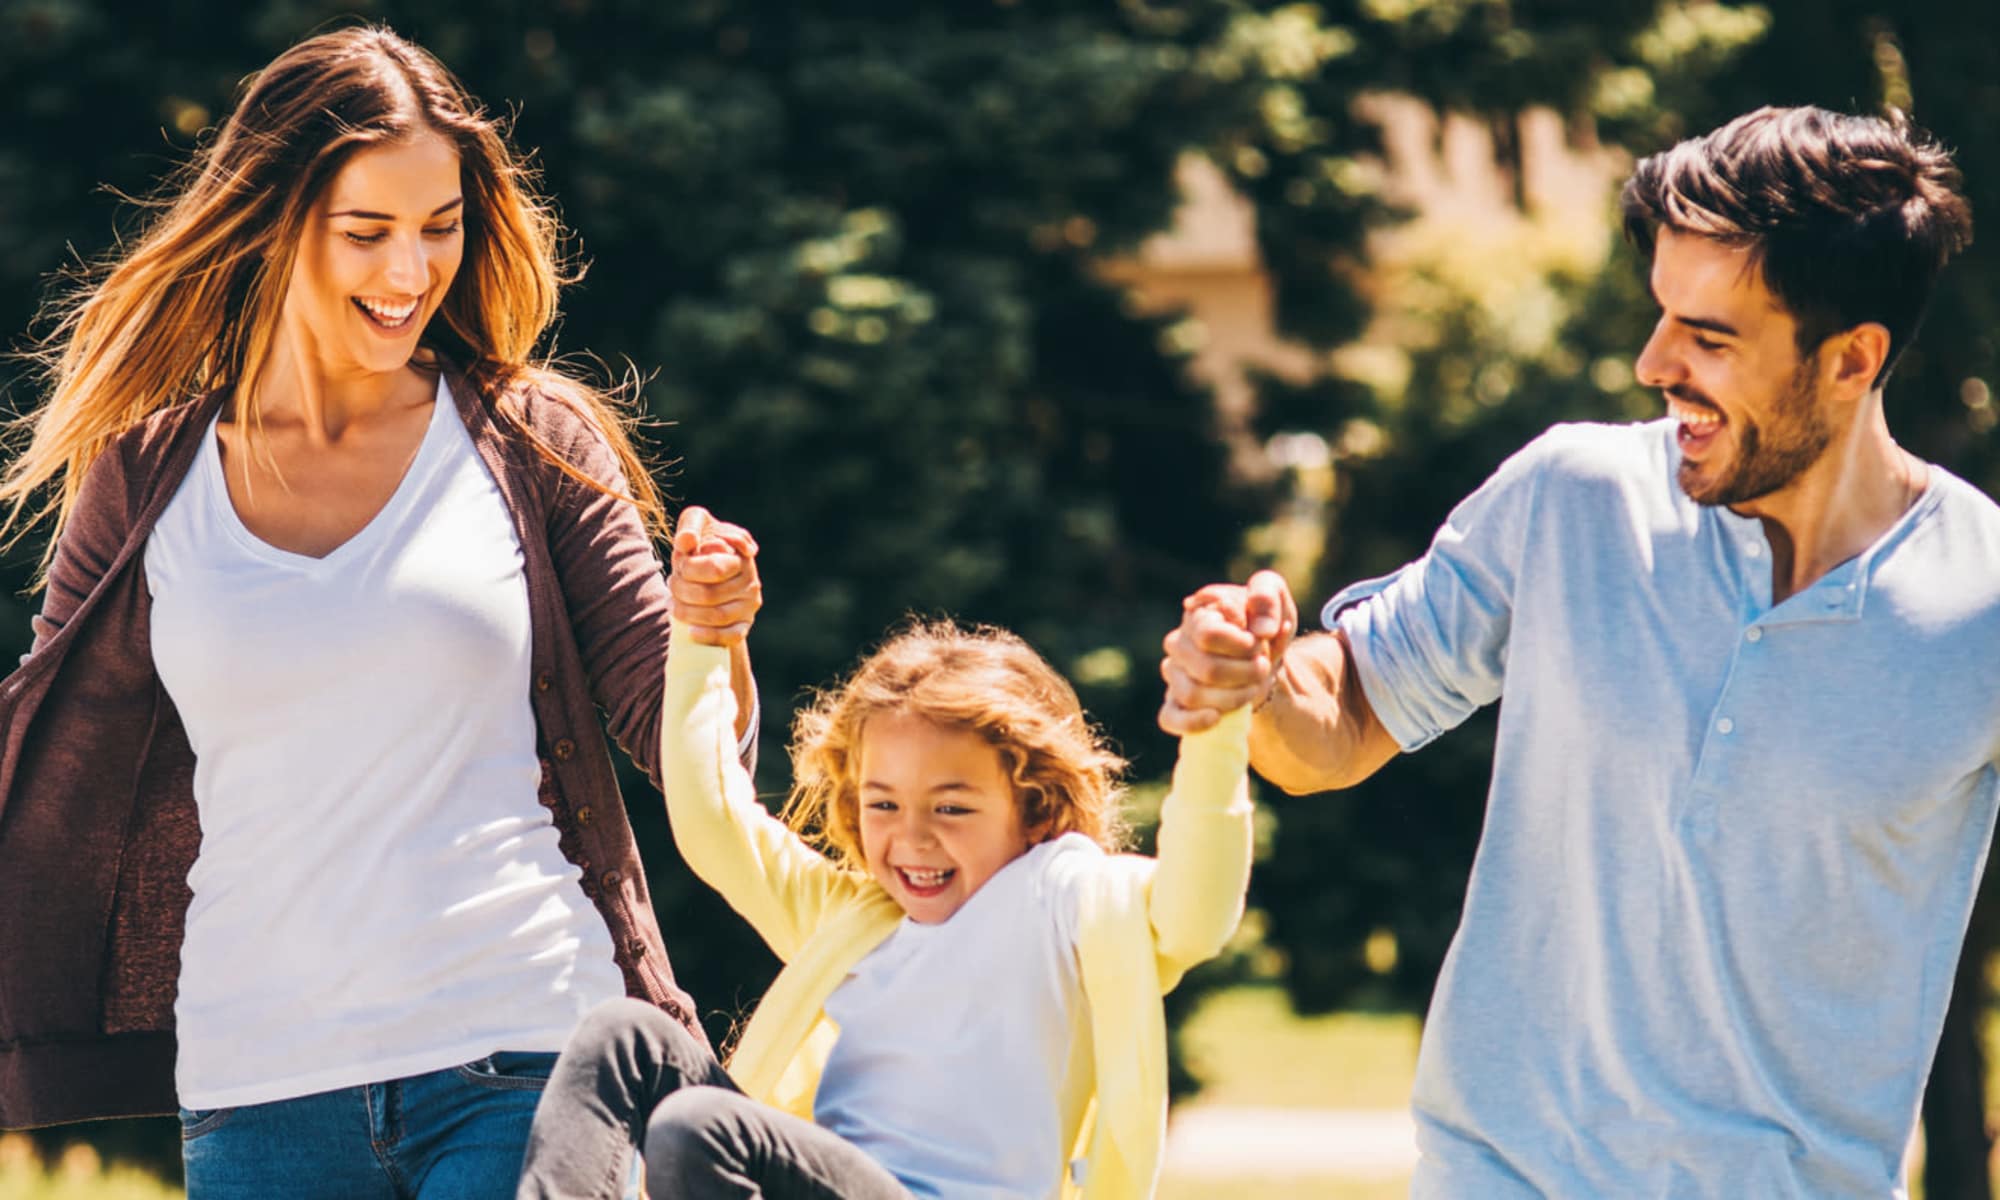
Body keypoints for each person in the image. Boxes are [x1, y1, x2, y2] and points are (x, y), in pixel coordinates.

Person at [1161, 105, 1998, 1196]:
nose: (1653, 363)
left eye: (1708, 337)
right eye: (1659, 317)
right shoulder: (1569, 495)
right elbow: (1339, 728)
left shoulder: (1980, 599)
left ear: (1850, 360)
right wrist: (1259, 677)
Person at [0, 26, 761, 1198]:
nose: (410, 273)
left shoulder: (530, 440)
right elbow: (48, 759)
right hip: (259, 1090)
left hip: (525, 1055)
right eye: (367, 233)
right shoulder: (147, 480)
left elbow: (687, 739)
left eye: (439, 229)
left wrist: (712, 630)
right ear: (269, 218)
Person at [512, 513, 1255, 1199]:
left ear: (1034, 804)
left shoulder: (1065, 895)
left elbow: (1196, 912)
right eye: (883, 804)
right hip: (827, 1179)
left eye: (953, 807)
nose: (913, 837)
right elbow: (713, 822)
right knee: (623, 1037)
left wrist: (1215, 730)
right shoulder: (859, 919)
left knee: (697, 1130)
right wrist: (703, 639)